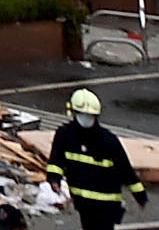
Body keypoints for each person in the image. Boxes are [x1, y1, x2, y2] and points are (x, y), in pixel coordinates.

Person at [48, 89, 146, 228]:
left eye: (90, 115)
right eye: (84, 114)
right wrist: (54, 178)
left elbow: (125, 170)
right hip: (83, 203)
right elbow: (56, 160)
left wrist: (140, 196)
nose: (87, 118)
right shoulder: (65, 135)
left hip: (106, 205)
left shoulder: (108, 141)